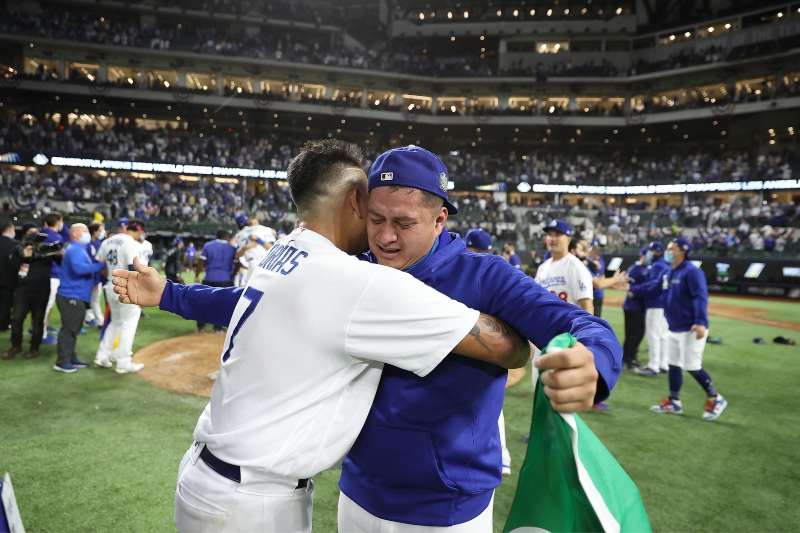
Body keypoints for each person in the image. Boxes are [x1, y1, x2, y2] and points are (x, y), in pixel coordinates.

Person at [111, 139, 531, 533]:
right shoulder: (355, 280)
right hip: (253, 502)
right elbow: (501, 347)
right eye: (372, 205)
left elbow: (241, 300)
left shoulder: (286, 249)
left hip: (208, 478)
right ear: (354, 200)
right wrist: (519, 344)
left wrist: (169, 292)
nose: (378, 223)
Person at [338, 146, 620, 532]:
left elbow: (579, 324)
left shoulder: (485, 277)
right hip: (356, 494)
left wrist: (595, 360)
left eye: (403, 224)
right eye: (376, 219)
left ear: (439, 220)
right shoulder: (352, 268)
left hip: (448, 510)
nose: (385, 236)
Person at [650, 237, 727, 421]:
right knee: (674, 364)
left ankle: (716, 398)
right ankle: (674, 401)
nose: (668, 251)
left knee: (692, 366)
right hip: (674, 326)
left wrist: (700, 322)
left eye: (672, 248)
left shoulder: (692, 272)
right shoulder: (670, 271)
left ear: (682, 251)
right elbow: (660, 293)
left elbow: (700, 297)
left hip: (691, 327)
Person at [465, 227, 513, 476]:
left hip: (479, 347)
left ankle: (500, 456)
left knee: (486, 408)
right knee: (492, 407)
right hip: (493, 348)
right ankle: (501, 456)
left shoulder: (469, 271)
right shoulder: (498, 271)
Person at [94, 220, 148, 373]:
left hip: (111, 286)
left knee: (115, 323)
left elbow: (101, 265)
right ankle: (123, 362)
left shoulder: (107, 241)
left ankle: (102, 356)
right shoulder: (130, 243)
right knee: (128, 325)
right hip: (126, 287)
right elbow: (134, 269)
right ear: (136, 230)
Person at [54, 224, 105, 373]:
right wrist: (100, 265)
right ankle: (62, 362)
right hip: (71, 295)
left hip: (75, 295)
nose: (87, 234)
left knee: (73, 329)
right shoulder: (75, 249)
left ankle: (70, 357)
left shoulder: (77, 248)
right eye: (85, 231)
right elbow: (79, 269)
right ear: (75, 233)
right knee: (69, 330)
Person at [2, 224, 54, 360]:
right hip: (22, 289)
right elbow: (12, 266)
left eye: (36, 233)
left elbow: (59, 259)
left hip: (41, 290)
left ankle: (34, 348)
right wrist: (23, 256)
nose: (34, 236)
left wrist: (58, 252)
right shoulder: (18, 248)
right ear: (25, 235)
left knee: (37, 320)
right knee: (17, 319)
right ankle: (15, 346)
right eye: (31, 233)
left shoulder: (46, 249)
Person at [629, 241, 671, 376]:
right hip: (664, 304)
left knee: (653, 335)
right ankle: (663, 364)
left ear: (657, 251)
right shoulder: (665, 264)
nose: (648, 253)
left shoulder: (657, 265)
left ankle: (654, 366)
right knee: (663, 335)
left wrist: (633, 289)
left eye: (650, 251)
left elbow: (652, 286)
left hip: (655, 304)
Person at [535, 220, 593, 313]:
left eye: (557, 234)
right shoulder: (542, 268)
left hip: (567, 326)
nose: (552, 239)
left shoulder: (575, 266)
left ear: (568, 240)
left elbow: (587, 307)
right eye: (549, 235)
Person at [196, 229, 236, 332]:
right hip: (225, 279)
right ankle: (217, 328)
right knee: (222, 304)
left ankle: (201, 327)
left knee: (204, 302)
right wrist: (232, 274)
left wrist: (197, 274)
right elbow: (237, 263)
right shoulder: (232, 248)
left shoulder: (208, 245)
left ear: (216, 236)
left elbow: (201, 261)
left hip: (209, 277)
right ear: (227, 237)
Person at [41, 212, 66, 344]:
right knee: (47, 306)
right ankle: (41, 334)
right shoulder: (56, 236)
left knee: (43, 306)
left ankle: (42, 330)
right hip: (53, 275)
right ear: (57, 222)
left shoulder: (39, 234)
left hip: (40, 273)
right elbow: (60, 258)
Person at [622, 247, 649, 370]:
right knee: (633, 334)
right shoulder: (635, 268)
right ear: (642, 255)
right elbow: (629, 289)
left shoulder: (648, 268)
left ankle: (629, 357)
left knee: (638, 333)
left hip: (641, 306)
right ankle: (628, 358)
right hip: (632, 307)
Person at [84, 222, 106, 328]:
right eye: (100, 230)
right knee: (89, 299)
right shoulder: (87, 244)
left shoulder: (99, 244)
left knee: (94, 299)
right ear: (94, 232)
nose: (102, 232)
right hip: (89, 275)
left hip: (96, 276)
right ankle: (96, 320)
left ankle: (92, 318)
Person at [0, 218, 17, 332]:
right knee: (5, 304)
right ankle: (3, 325)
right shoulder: (14, 245)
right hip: (8, 280)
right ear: (10, 228)